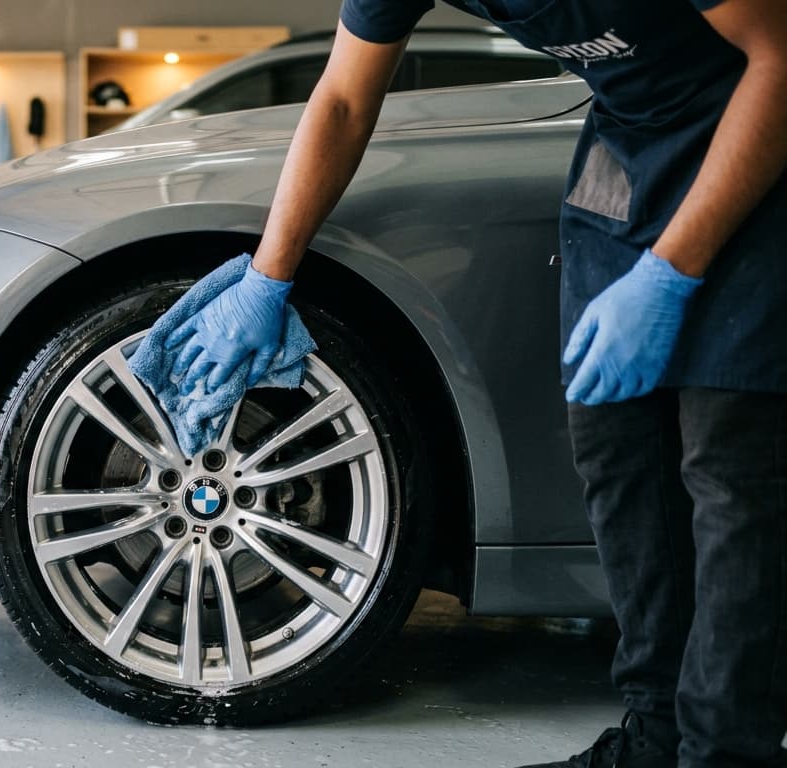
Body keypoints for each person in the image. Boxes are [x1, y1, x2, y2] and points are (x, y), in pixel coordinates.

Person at [161, 1, 787, 766]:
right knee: (621, 464)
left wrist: (670, 270)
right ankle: (656, 736)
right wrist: (271, 273)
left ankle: (728, 753)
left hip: (757, 144)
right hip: (628, 150)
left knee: (730, 474)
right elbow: (344, 98)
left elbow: (782, 60)